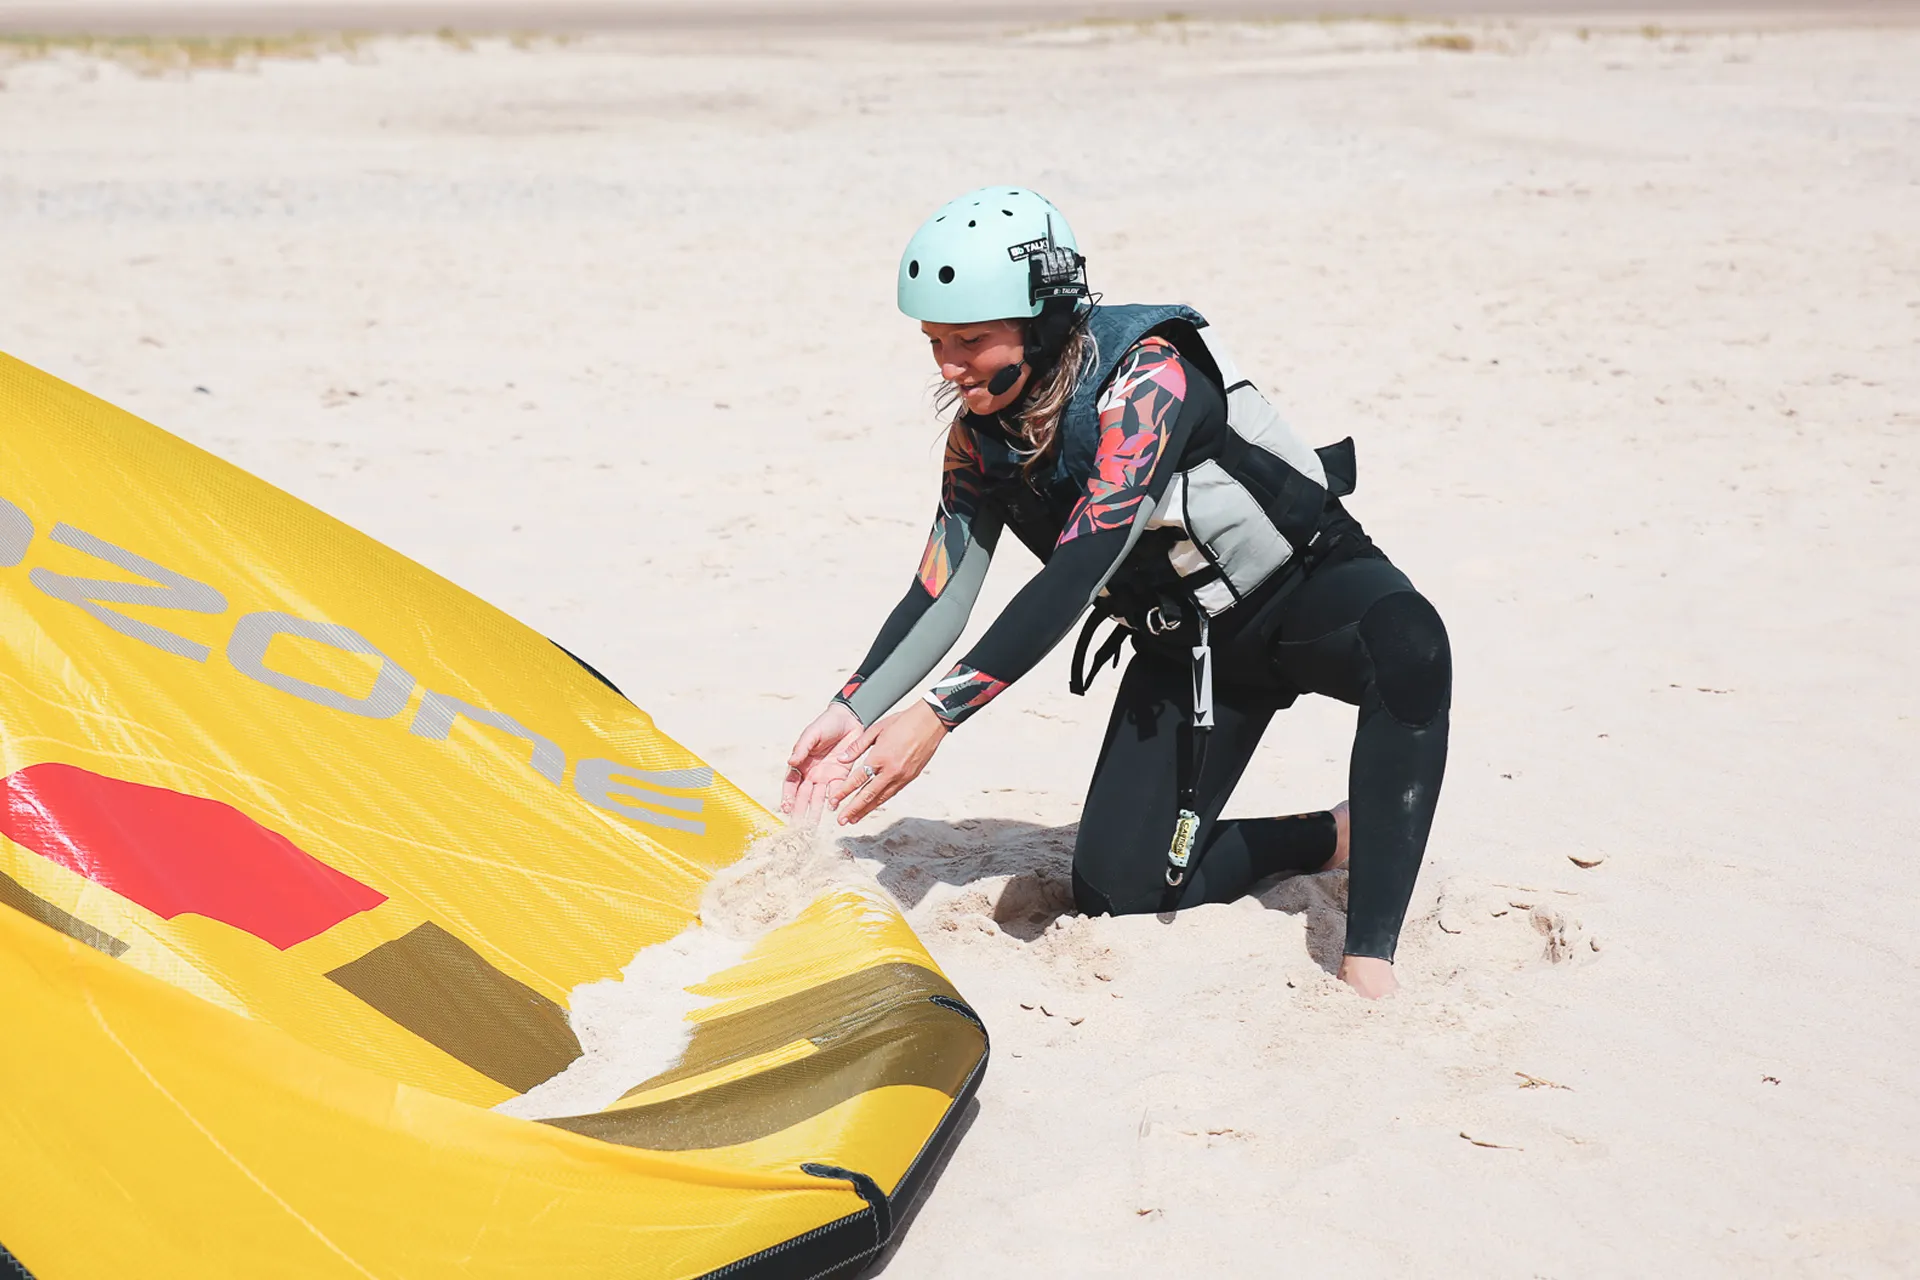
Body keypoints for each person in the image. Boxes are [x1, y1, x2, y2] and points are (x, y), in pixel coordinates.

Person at [781, 187, 1450, 998]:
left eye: (972, 340)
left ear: (1047, 318)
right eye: (934, 341)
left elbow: (1079, 568)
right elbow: (940, 591)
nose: (951, 365)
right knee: (1117, 893)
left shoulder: (1149, 379)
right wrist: (852, 707)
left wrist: (938, 714)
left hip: (1309, 593)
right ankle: (1333, 836)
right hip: (1193, 648)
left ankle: (1370, 950)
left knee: (1413, 648)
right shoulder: (981, 439)